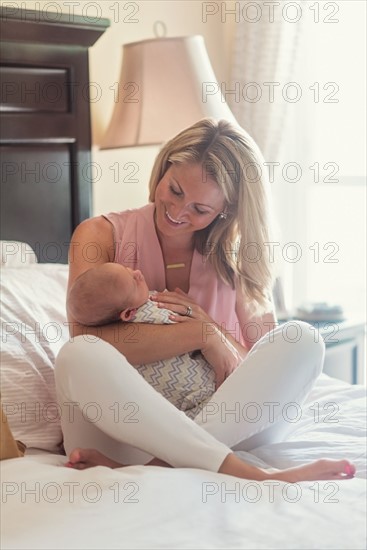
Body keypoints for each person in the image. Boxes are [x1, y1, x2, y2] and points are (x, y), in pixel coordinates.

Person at [55, 118, 355, 482]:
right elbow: (88, 337)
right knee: (77, 354)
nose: (178, 213)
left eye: (200, 209)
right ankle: (218, 466)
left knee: (302, 340)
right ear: (164, 168)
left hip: (223, 425)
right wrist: (201, 337)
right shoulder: (100, 234)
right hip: (121, 432)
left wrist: (215, 331)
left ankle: (156, 470)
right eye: (175, 190)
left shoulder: (240, 253)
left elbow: (259, 366)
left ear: (225, 210)